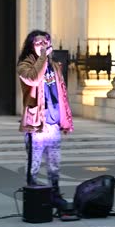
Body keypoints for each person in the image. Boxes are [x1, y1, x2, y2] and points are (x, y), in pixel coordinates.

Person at [17, 30, 74, 207]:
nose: (42, 46)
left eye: (45, 43)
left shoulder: (54, 66)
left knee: (54, 165)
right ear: (31, 45)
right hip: (36, 125)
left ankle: (55, 196)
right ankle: (33, 200)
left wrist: (65, 121)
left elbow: (61, 94)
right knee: (33, 166)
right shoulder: (24, 65)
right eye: (38, 43)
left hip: (53, 123)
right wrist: (42, 58)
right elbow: (33, 79)